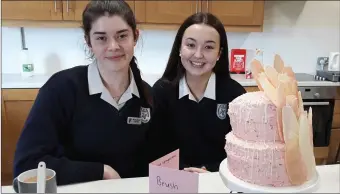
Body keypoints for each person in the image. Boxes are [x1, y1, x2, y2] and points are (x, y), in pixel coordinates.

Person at [13, 0, 152, 185]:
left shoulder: (147, 96)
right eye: (101, 38)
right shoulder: (61, 89)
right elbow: (26, 165)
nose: (113, 46)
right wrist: (101, 171)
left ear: (135, 36)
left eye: (122, 36)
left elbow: (153, 161)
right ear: (88, 41)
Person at [149, 12, 246, 173]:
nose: (198, 54)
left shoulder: (235, 94)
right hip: (173, 181)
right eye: (191, 45)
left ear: (219, 54)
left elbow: (241, 153)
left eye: (208, 47)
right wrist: (184, 172)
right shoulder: (162, 91)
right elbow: (154, 148)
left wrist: (211, 172)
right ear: (179, 48)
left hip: (220, 180)